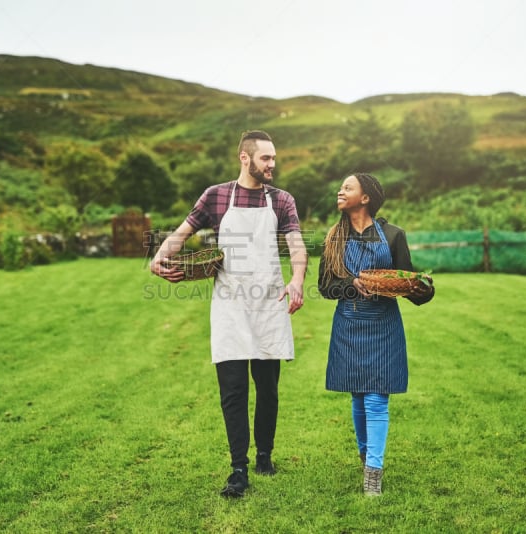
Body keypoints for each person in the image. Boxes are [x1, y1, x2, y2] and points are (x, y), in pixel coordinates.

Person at [150, 130, 307, 498]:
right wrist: (159, 256)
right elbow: (183, 232)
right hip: (230, 305)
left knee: (267, 388)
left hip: (268, 301)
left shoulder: (282, 200)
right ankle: (239, 468)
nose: (272, 164)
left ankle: (264, 453)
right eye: (265, 158)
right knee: (233, 390)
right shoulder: (216, 195)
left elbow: (296, 245)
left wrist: (297, 279)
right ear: (244, 158)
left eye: (273, 158)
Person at [318, 173, 434, 496]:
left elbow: (406, 281)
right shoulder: (333, 239)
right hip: (349, 323)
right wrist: (350, 286)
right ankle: (365, 455)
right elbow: (325, 287)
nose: (340, 191)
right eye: (340, 187)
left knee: (376, 399)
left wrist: (423, 289)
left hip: (383, 325)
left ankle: (373, 473)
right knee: (357, 395)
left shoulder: (393, 235)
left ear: (365, 197)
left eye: (348, 187)